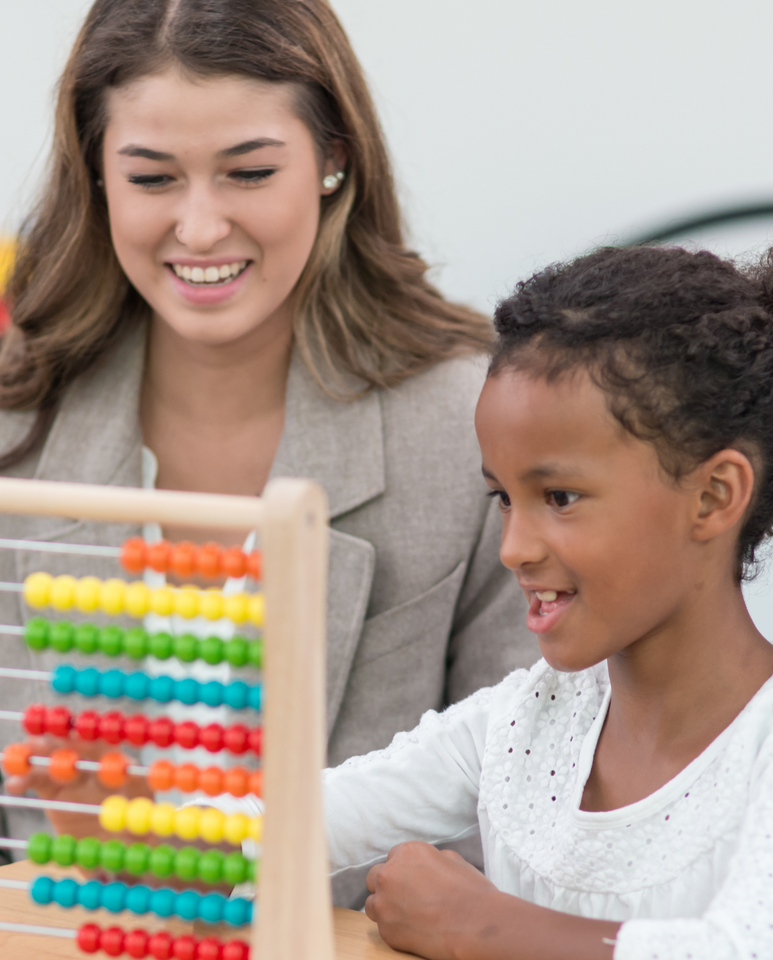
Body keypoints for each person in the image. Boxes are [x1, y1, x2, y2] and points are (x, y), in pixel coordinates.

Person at [0, 0, 535, 903]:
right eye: (152, 178)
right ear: (96, 173)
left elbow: (534, 802)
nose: (200, 228)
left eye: (247, 172)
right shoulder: (20, 421)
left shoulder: (466, 421)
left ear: (334, 158)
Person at [323, 245, 773, 959]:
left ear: (713, 496)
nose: (512, 547)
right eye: (503, 498)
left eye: (558, 498)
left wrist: (482, 927)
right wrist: (134, 813)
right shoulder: (523, 725)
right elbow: (295, 820)